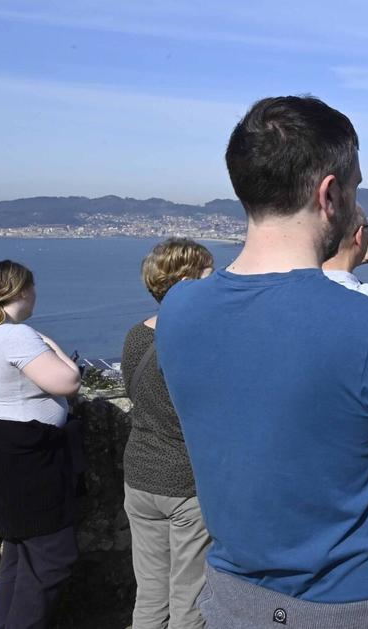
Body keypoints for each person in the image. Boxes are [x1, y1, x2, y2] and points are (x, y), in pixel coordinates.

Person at [155, 95, 368, 628]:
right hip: (358, 607)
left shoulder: (179, 310)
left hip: (233, 600)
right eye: (355, 188)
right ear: (330, 192)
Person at [0, 260, 83, 629]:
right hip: (30, 462)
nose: (35, 294)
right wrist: (51, 344)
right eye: (32, 287)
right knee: (52, 556)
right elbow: (68, 382)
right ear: (21, 291)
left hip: (7, 453)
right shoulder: (16, 335)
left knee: (18, 556)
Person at [121, 238, 215, 629]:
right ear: (188, 281)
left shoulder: (136, 336)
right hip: (185, 481)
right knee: (189, 598)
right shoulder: (200, 342)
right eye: (210, 275)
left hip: (140, 474)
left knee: (150, 595)